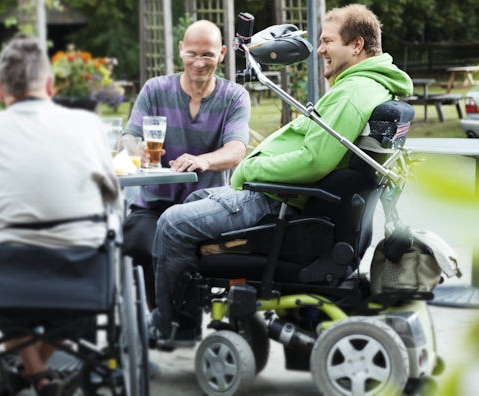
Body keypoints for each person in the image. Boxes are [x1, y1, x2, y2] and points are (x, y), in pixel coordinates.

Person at [148, 3, 413, 345]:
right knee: (198, 199)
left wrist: (250, 167)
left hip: (276, 201)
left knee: (172, 224)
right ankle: (189, 314)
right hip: (284, 199)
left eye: (327, 41)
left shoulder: (352, 94)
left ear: (356, 45)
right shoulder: (364, 86)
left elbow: (315, 161)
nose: (319, 50)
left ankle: (167, 324)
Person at [0, 34, 121, 396]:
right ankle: (42, 374)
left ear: (0, 90)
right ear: (49, 85)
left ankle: (35, 372)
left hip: (6, 276)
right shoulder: (88, 126)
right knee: (90, 279)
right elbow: (113, 198)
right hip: (81, 271)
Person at [121, 20, 250, 310]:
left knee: (197, 253)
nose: (199, 62)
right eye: (192, 53)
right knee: (138, 244)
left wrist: (202, 160)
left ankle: (184, 322)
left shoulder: (234, 97)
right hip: (153, 205)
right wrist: (136, 149)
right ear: (181, 51)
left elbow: (236, 150)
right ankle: (158, 317)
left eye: (207, 54)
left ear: (222, 53)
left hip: (204, 209)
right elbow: (129, 137)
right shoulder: (155, 90)